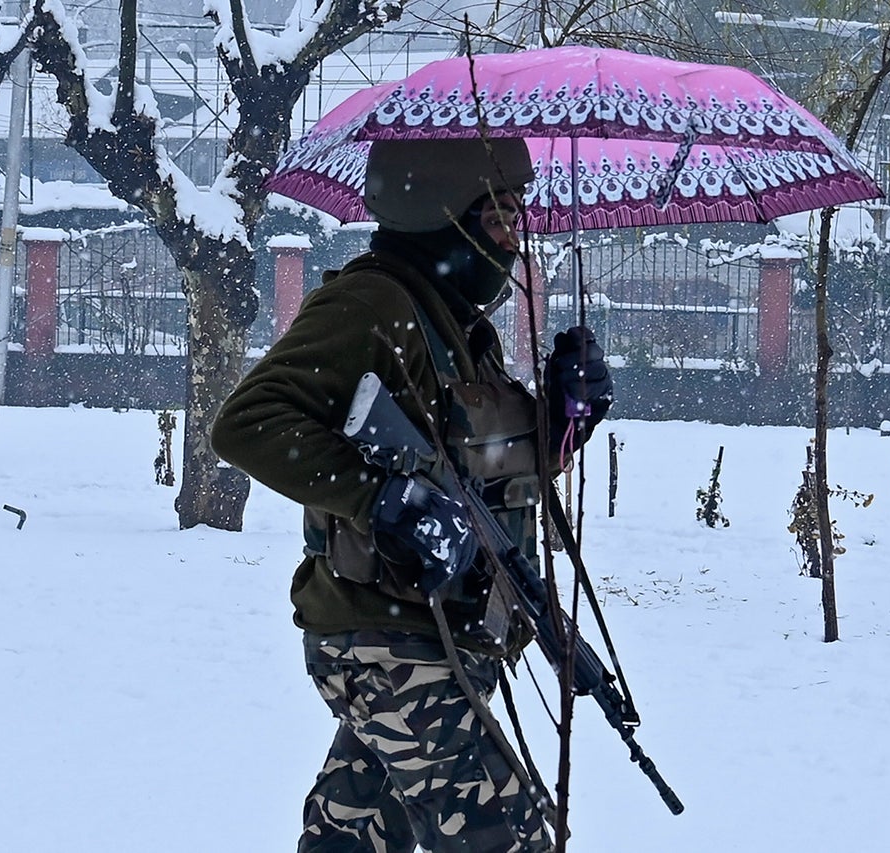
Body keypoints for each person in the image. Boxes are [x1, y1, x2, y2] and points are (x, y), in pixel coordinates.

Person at [210, 136, 613, 853]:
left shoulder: (460, 326)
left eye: (518, 218)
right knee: (507, 837)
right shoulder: (373, 303)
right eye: (499, 219)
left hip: (438, 636)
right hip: (391, 644)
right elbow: (247, 423)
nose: (514, 241)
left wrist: (564, 421)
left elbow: (480, 480)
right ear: (441, 215)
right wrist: (380, 500)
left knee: (355, 837)